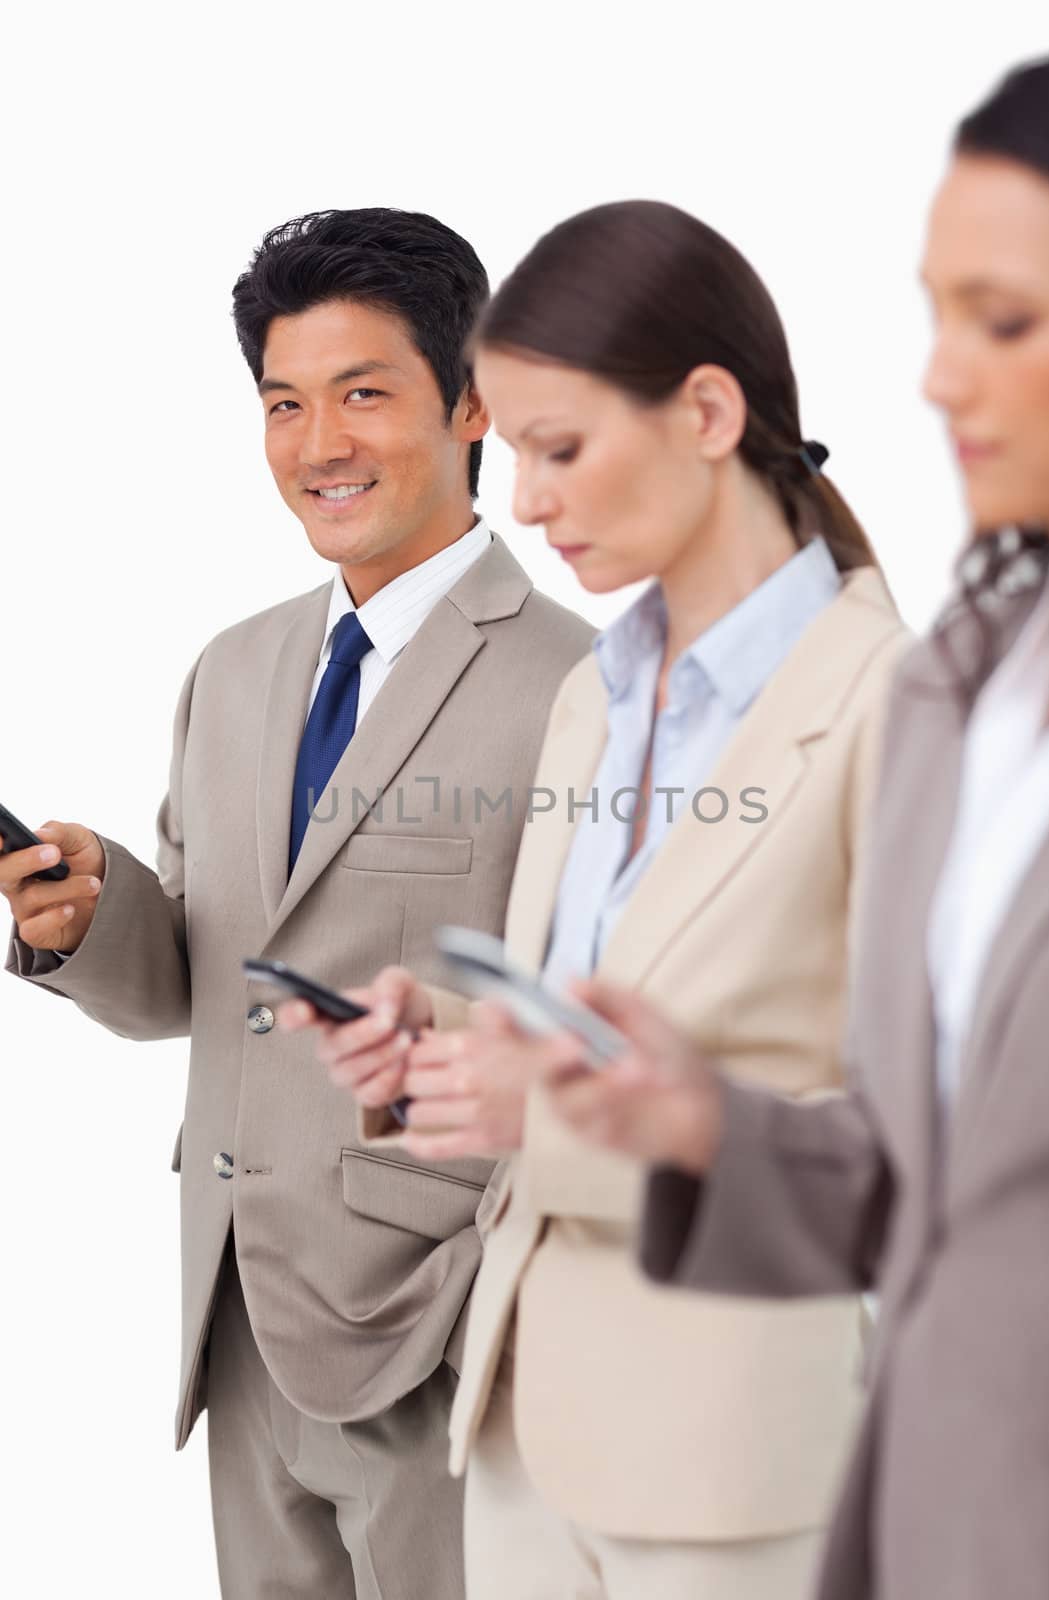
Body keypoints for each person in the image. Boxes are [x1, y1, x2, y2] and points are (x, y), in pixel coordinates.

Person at [289, 199, 911, 1599]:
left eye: (559, 451)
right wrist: (441, 1036)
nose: (524, 503)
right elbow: (589, 1016)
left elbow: (925, 1152)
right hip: (515, 1438)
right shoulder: (596, 694)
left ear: (704, 411)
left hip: (733, 1472)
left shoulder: (900, 708)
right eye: (512, 456)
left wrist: (554, 1118)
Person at [0, 207, 593, 1598]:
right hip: (235, 1323)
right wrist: (90, 926)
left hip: (439, 1344)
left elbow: (596, 1036)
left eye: (364, 393)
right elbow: (198, 991)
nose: (319, 444)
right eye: (284, 403)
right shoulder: (235, 668)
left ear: (471, 405)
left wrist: (480, 1330)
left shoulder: (588, 689)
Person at [536, 56, 1049, 1600]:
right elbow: (940, 1192)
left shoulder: (873, 680)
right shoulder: (969, 689)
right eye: (936, 314)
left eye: (1008, 320)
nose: (937, 378)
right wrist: (705, 1121)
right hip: (926, 1526)